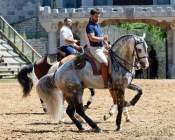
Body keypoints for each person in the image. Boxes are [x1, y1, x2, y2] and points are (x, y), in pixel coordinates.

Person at [86, 8, 110, 87]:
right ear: (91, 16)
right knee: (104, 63)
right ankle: (106, 83)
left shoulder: (97, 25)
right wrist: (103, 38)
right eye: (96, 16)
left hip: (101, 48)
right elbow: (92, 38)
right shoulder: (89, 26)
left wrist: (106, 44)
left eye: (98, 16)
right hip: (95, 49)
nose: (97, 18)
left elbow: (102, 37)